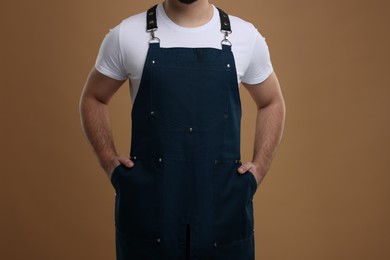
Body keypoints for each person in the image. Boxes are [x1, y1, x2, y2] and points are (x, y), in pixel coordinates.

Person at [79, 0, 285, 259]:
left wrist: (260, 167)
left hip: (222, 212)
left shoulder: (245, 37)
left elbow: (271, 102)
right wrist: (109, 162)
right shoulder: (127, 35)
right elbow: (93, 98)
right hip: (151, 212)